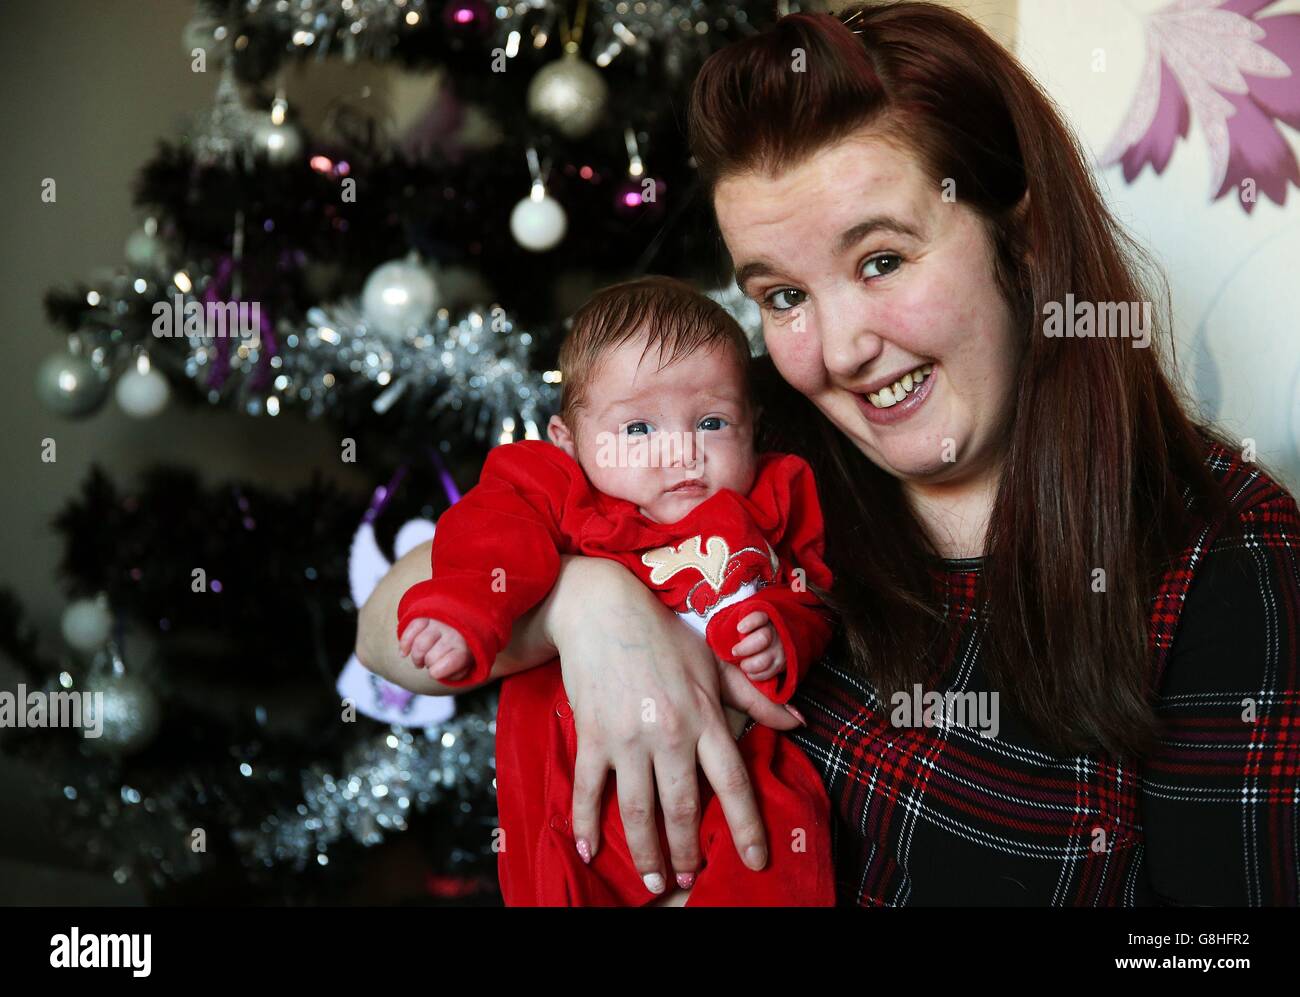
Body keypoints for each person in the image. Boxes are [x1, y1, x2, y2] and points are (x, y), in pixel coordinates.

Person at [358, 5, 1300, 905]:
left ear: (1022, 236)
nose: (841, 349)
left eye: (882, 260)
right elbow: (384, 630)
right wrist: (585, 602)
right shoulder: (750, 443)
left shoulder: (1227, 558)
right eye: (782, 296)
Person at [393, 276, 835, 905]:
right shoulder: (558, 490)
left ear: (752, 428)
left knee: (784, 835)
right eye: (637, 430)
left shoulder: (772, 498)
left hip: (731, 766)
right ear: (566, 440)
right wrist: (462, 611)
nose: (682, 452)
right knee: (562, 874)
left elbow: (812, 592)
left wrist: (785, 633)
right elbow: (488, 537)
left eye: (712, 422)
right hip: (575, 786)